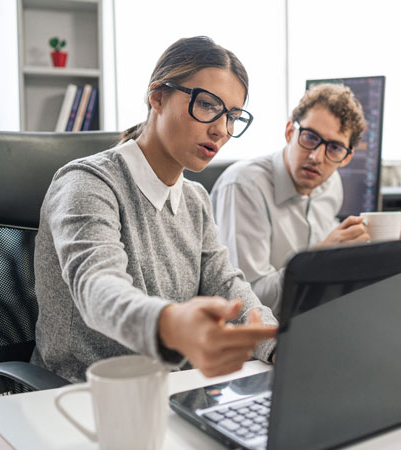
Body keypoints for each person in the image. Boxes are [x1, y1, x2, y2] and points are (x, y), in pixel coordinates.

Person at [31, 36, 277, 383]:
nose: (221, 130)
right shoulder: (86, 183)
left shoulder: (194, 199)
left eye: (233, 116)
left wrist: (277, 342)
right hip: (81, 394)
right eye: (207, 105)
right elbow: (99, 289)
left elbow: (226, 284)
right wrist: (171, 325)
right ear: (157, 97)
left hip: (173, 388)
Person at [211, 84, 371, 314]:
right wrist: (317, 260)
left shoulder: (331, 182)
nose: (317, 157)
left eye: (334, 148)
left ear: (346, 158)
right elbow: (244, 300)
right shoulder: (244, 185)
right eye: (310, 137)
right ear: (289, 132)